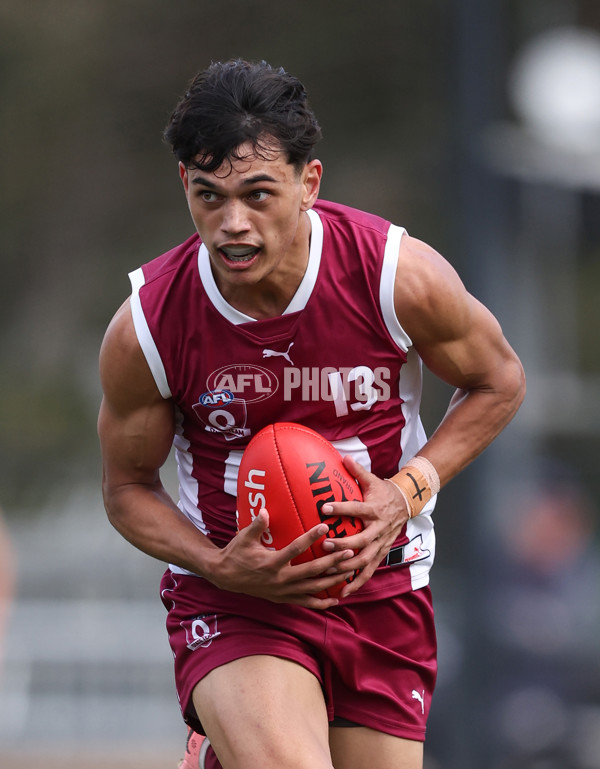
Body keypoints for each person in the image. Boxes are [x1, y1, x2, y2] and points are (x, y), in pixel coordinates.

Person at [98, 59, 525, 769]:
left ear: (309, 183)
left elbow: (499, 380)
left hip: (381, 582)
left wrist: (406, 489)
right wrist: (216, 563)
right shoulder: (148, 324)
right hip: (238, 597)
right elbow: (125, 489)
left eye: (258, 193)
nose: (233, 223)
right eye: (209, 196)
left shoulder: (393, 275)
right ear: (185, 187)